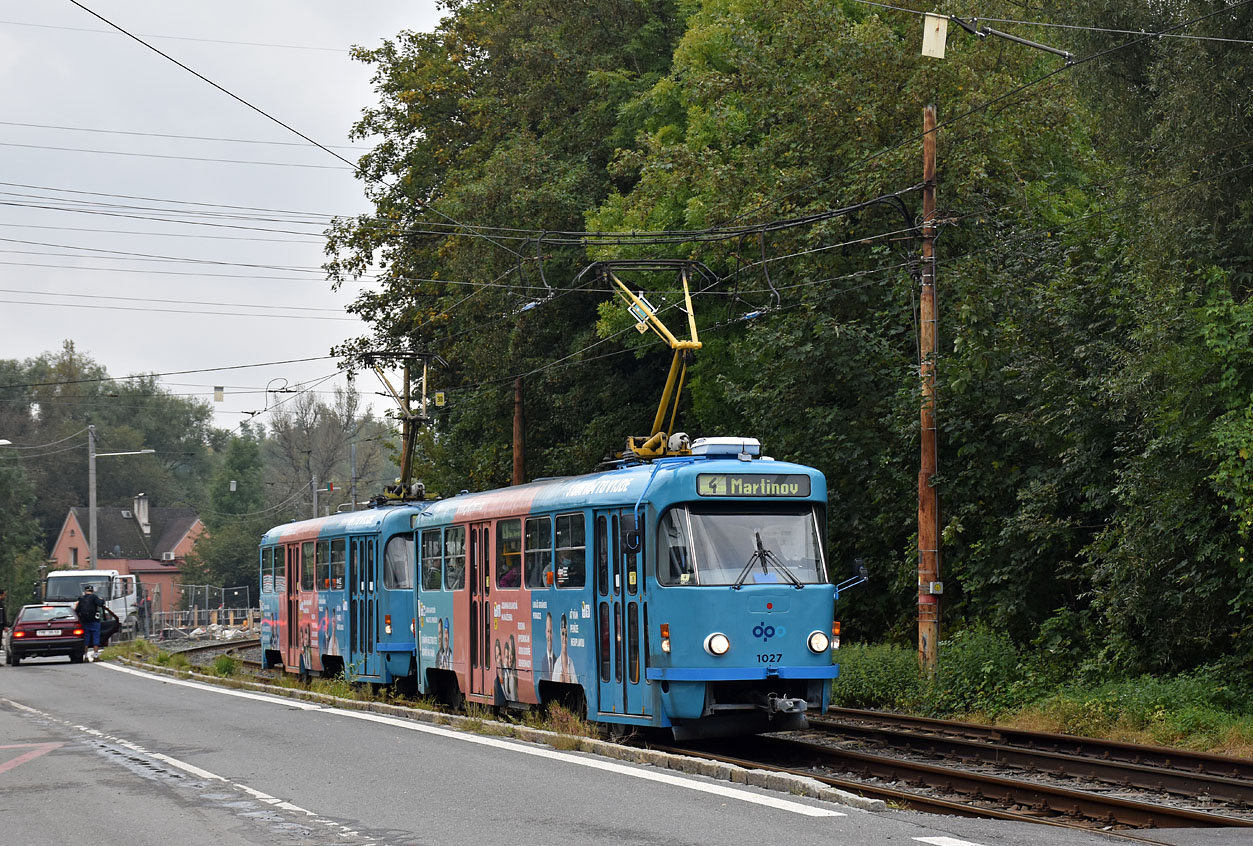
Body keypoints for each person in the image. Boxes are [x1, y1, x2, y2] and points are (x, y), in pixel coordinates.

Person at [75, 584, 106, 662]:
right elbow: (100, 603)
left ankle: (85, 657)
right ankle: (95, 656)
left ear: (85, 591)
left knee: (86, 639)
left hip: (85, 622)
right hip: (95, 621)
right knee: (96, 638)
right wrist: (102, 600)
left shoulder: (81, 599)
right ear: (92, 591)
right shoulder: (95, 597)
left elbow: (76, 610)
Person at [552, 613, 578, 684]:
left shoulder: (571, 662)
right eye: (563, 634)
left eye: (566, 635)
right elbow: (552, 690)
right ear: (560, 635)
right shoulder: (557, 664)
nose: (564, 638)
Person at [538, 612, 556, 679]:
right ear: (545, 633)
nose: (549, 636)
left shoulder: (557, 661)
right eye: (548, 631)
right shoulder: (542, 661)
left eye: (551, 632)